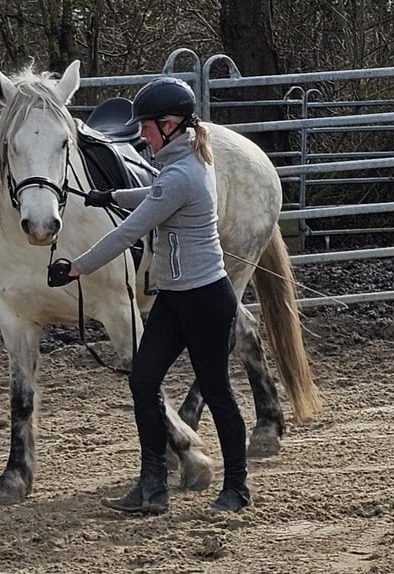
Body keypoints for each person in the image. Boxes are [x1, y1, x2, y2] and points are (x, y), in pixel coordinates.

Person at [48, 77, 250, 514]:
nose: (142, 134)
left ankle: (236, 488)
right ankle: (152, 486)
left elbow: (130, 230)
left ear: (171, 124)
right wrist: (111, 193)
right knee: (143, 381)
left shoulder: (183, 172)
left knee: (217, 392)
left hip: (204, 299)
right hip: (175, 297)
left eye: (148, 126)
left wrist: (76, 267)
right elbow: (155, 192)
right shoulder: (186, 159)